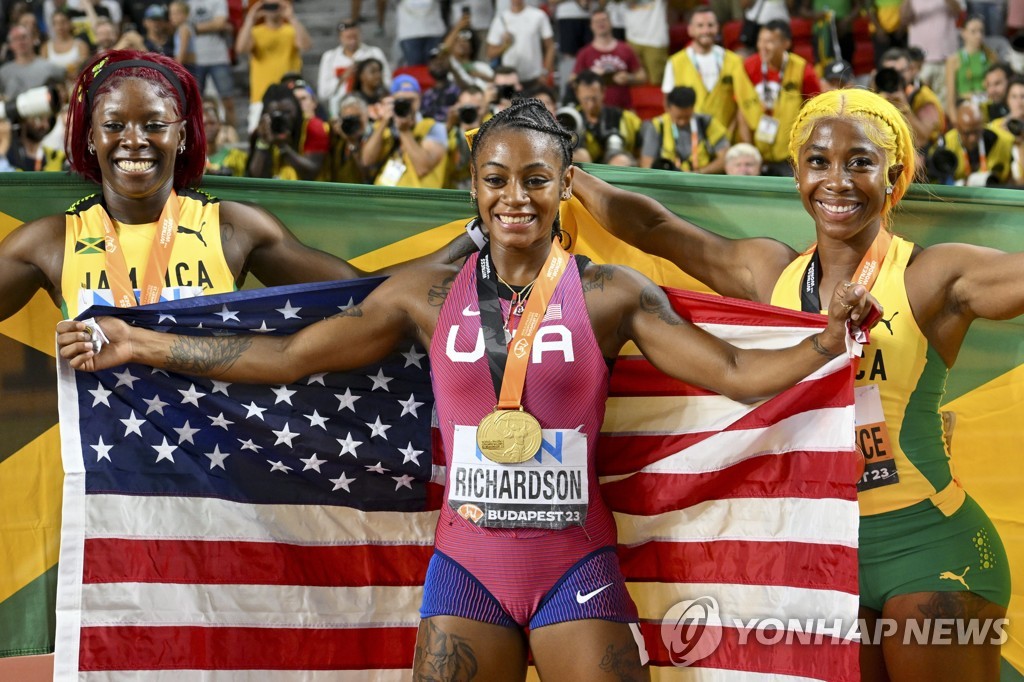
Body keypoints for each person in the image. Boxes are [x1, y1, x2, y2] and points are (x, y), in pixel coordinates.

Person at [57, 97, 876, 682]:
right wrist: (137, 339)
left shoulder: (612, 294)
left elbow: (734, 376)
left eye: (535, 179)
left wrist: (826, 340)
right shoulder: (422, 294)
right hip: (467, 572)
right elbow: (293, 356)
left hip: (575, 565)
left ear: (564, 188)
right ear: (473, 189)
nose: (515, 197)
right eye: (496, 179)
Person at [573, 87, 1016, 682]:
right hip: (818, 549)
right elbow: (655, 227)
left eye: (861, 161)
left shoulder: (931, 275)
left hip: (930, 546)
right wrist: (567, 177)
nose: (837, 180)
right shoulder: (770, 274)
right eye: (819, 162)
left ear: (895, 175)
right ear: (797, 174)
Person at [662, 6, 761, 142]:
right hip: (691, 139)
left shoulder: (734, 61)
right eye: (700, 26)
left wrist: (730, 132)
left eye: (710, 25)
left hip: (727, 137)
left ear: (717, 28)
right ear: (690, 30)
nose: (706, 30)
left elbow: (743, 103)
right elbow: (668, 103)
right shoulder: (675, 62)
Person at [744, 20, 822, 175]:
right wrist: (748, 149)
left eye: (770, 42)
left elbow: (816, 113)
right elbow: (741, 110)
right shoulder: (749, 66)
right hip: (756, 155)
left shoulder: (803, 70)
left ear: (786, 43)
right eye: (760, 41)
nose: (763, 47)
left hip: (790, 157)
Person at [235, 0, 311, 132]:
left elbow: (305, 45)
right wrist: (250, 19)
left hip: (290, 94)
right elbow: (241, 49)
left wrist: (291, 17)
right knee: (257, 135)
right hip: (260, 95)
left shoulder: (291, 30)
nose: (272, 8)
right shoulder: (255, 32)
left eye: (275, 4)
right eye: (268, 5)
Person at [362, 74, 448, 188]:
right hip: (384, 200)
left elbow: (422, 168)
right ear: (392, 101)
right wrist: (384, 122)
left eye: (411, 100)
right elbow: (367, 161)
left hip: (418, 201)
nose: (406, 105)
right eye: (400, 100)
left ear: (419, 99)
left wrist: (404, 131)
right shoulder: (384, 128)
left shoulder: (434, 127)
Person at [247, 82, 329, 181]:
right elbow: (255, 177)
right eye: (276, 114)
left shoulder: (313, 127)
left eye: (287, 112)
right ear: (266, 114)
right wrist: (263, 142)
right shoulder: (264, 129)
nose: (283, 118)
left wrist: (283, 146)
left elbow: (312, 173)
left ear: (297, 108)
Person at [639, 85, 730, 172]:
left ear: (693, 108)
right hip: (668, 180)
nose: (682, 122)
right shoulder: (657, 126)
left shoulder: (707, 122)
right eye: (678, 118)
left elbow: (725, 159)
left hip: (702, 179)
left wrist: (699, 174)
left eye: (687, 117)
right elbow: (647, 165)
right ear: (668, 108)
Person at [572, 8, 646, 110]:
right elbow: (573, 80)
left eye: (604, 20)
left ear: (611, 22)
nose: (600, 24)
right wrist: (590, 75)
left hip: (623, 109)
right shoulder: (584, 53)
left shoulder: (626, 49)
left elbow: (642, 76)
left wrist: (629, 78)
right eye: (596, 21)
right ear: (591, 26)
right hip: (595, 111)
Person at [316, 21, 390, 116]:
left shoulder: (374, 53)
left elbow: (388, 82)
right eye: (348, 37)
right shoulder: (329, 57)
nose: (352, 41)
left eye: (355, 36)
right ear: (340, 38)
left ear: (360, 34)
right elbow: (323, 93)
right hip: (340, 109)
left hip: (372, 107)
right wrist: (342, 77)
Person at [935, 99, 1016, 185]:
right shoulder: (947, 145)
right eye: (967, 133)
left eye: (977, 131)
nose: (972, 138)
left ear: (983, 125)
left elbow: (1012, 179)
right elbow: (939, 181)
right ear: (957, 128)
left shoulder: (1002, 141)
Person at [188, 0, 237, 131]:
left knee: (228, 101)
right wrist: (214, 25)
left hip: (218, 57)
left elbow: (220, 23)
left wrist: (194, 27)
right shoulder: (187, 2)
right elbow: (181, 25)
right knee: (195, 103)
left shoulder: (218, 1)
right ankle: (196, 136)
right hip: (195, 59)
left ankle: (231, 136)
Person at [486, 0, 555, 88]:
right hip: (509, 78)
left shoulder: (538, 16)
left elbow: (550, 46)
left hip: (534, 77)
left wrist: (545, 72)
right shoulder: (500, 19)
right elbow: (490, 53)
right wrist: (505, 46)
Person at [945, 16, 997, 124]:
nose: (979, 35)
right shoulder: (954, 60)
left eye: (981, 31)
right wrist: (956, 123)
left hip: (988, 108)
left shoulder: (991, 57)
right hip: (965, 107)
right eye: (973, 31)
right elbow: (950, 99)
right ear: (963, 33)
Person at [40, 9, 89, 80]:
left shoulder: (81, 45)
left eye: (63, 22)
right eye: (55, 23)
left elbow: (85, 69)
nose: (60, 26)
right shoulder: (45, 47)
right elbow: (44, 72)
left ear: (70, 23)